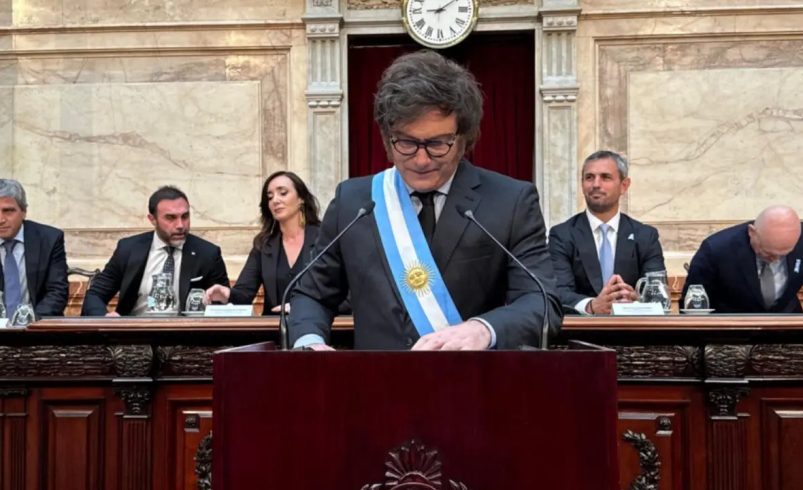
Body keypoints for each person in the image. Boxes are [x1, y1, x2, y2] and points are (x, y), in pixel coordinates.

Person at [289, 50, 562, 351]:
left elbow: (541, 302)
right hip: (374, 378)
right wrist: (309, 344)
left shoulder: (511, 201)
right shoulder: (353, 202)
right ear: (387, 139)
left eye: (438, 143)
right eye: (406, 142)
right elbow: (311, 294)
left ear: (464, 139)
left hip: (470, 378)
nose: (421, 160)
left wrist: (483, 330)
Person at [81, 186, 229, 316]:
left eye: (185, 216)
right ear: (152, 219)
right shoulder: (129, 249)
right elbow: (95, 295)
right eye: (170, 218)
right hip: (135, 332)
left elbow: (226, 304)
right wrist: (106, 318)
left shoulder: (208, 254)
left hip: (187, 334)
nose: (180, 225)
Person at [548, 151, 666, 314]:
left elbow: (658, 291)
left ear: (624, 185)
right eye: (589, 177)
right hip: (581, 327)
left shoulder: (645, 236)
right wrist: (591, 306)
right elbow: (558, 291)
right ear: (582, 184)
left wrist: (637, 299)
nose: (596, 184)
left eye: (605, 177)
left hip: (633, 326)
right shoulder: (562, 235)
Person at [204, 171, 321, 314]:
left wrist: (304, 306)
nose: (275, 200)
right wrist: (226, 294)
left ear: (301, 198)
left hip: (316, 323)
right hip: (274, 325)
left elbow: (340, 293)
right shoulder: (264, 244)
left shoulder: (324, 238)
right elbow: (244, 293)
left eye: (283, 193)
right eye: (270, 197)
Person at [682, 205, 803, 313]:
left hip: (787, 324)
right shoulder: (716, 250)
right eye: (768, 253)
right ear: (752, 232)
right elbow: (693, 306)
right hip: (731, 326)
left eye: (784, 254)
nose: (776, 260)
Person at [0, 179, 69, 317]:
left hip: (37, 323)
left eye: (8, 211)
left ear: (24, 211)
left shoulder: (49, 239)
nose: (1, 219)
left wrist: (30, 321)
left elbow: (57, 291)